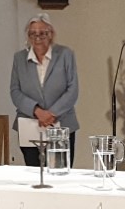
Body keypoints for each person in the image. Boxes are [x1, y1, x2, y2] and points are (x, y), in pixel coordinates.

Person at [10, 13, 80, 167]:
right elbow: (15, 91)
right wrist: (37, 111)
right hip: (30, 124)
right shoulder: (19, 58)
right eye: (33, 33)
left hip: (61, 123)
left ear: (51, 34)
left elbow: (73, 89)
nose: (38, 37)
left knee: (59, 172)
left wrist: (51, 113)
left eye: (42, 33)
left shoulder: (65, 54)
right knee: (34, 172)